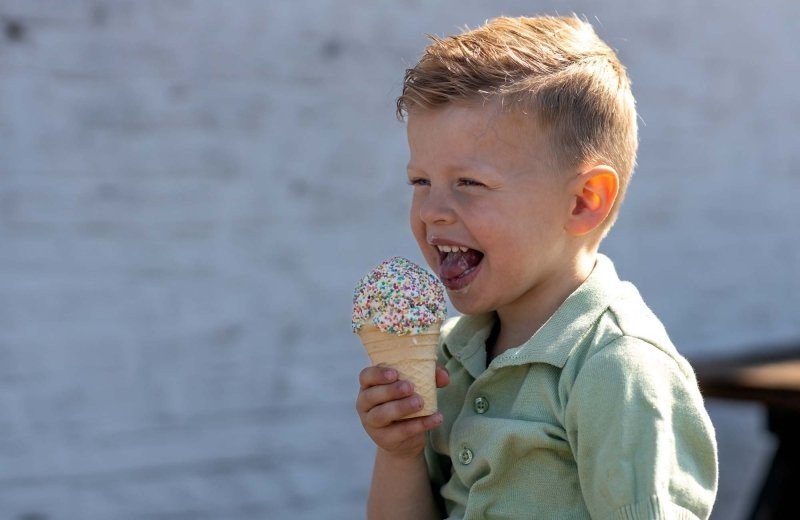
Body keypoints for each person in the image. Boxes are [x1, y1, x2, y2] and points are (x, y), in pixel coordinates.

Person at [355, 15, 718, 519]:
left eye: (469, 182)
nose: (433, 210)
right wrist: (400, 453)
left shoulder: (616, 367)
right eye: (420, 181)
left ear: (582, 201)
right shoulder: (453, 354)